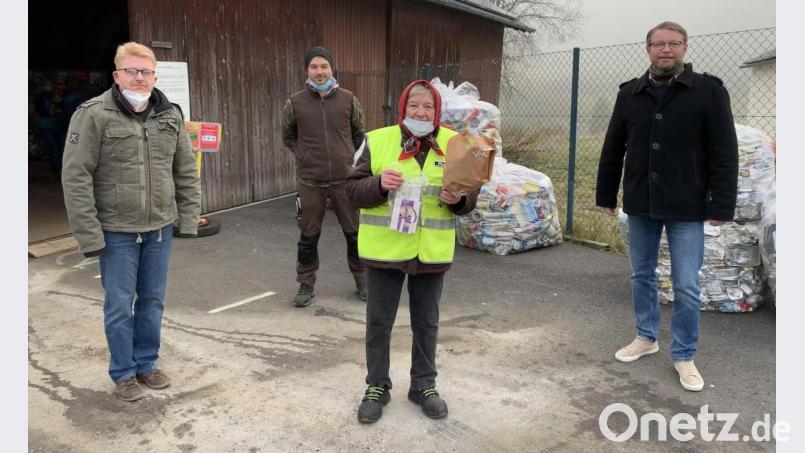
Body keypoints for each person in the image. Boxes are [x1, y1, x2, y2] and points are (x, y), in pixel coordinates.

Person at [595, 22, 738, 392]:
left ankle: (684, 354)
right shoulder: (630, 93)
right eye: (659, 44)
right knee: (641, 274)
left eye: (674, 43)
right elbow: (613, 147)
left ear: (685, 48)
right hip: (641, 201)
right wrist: (605, 195)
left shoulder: (708, 91)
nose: (666, 50)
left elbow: (725, 152)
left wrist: (722, 202)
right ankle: (646, 337)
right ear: (648, 49)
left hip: (687, 204)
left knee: (687, 284)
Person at [61, 42, 201, 402]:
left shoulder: (170, 115)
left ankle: (146, 364)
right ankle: (123, 372)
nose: (139, 78)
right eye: (131, 71)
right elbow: (75, 177)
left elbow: (185, 172)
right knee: (120, 305)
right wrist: (89, 235)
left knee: (153, 300)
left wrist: (187, 220)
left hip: (158, 229)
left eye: (146, 72)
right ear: (117, 75)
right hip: (116, 232)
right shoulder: (92, 115)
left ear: (155, 75)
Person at [346, 80, 478, 423]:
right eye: (415, 106)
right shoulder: (377, 140)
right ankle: (377, 385)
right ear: (403, 107)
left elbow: (469, 198)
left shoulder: (455, 144)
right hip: (385, 250)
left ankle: (423, 385)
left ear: (437, 111)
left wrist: (459, 200)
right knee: (379, 322)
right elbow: (350, 190)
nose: (421, 112)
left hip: (431, 251)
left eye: (428, 107)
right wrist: (377, 185)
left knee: (427, 322)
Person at [281, 46, 366, 307]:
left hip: (345, 181)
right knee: (308, 236)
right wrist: (305, 156)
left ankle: (363, 281)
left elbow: (359, 133)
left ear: (332, 69)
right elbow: (288, 136)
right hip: (311, 182)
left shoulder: (349, 99)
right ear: (307, 70)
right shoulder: (294, 103)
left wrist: (348, 159)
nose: (319, 72)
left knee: (355, 234)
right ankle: (306, 284)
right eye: (314, 67)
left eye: (324, 66)